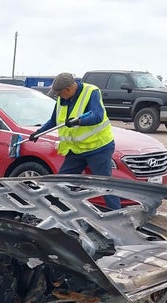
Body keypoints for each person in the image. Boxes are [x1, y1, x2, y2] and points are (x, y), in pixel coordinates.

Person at [29, 72, 119, 209]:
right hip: (76, 150)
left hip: (97, 149)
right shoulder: (62, 99)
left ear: (68, 89)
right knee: (62, 182)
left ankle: (117, 216)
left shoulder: (91, 92)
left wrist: (79, 121)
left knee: (105, 185)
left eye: (59, 93)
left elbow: (97, 116)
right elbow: (54, 121)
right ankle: (57, 212)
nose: (58, 96)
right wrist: (38, 133)